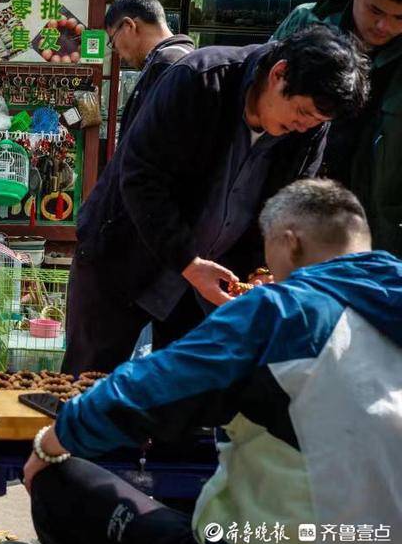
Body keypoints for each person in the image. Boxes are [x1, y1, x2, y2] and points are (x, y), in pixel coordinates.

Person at [26, 179, 402, 544]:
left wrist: (50, 442)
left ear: (291, 242)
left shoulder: (285, 310)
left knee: (59, 479)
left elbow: (144, 392)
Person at [62, 25, 370, 375]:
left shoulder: (310, 126)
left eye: (316, 122)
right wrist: (189, 262)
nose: (304, 126)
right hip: (124, 257)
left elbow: (289, 205)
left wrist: (263, 270)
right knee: (85, 388)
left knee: (184, 403)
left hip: (209, 285)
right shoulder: (199, 80)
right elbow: (141, 178)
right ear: (278, 74)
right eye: (302, 113)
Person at [273, 0, 402, 256]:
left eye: (400, 18)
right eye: (375, 10)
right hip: (296, 211)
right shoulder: (305, 23)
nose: (384, 25)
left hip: (378, 235)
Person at [104, 0, 195, 143]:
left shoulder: (168, 65)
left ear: (128, 26)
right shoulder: (173, 60)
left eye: (113, 42)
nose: (118, 54)